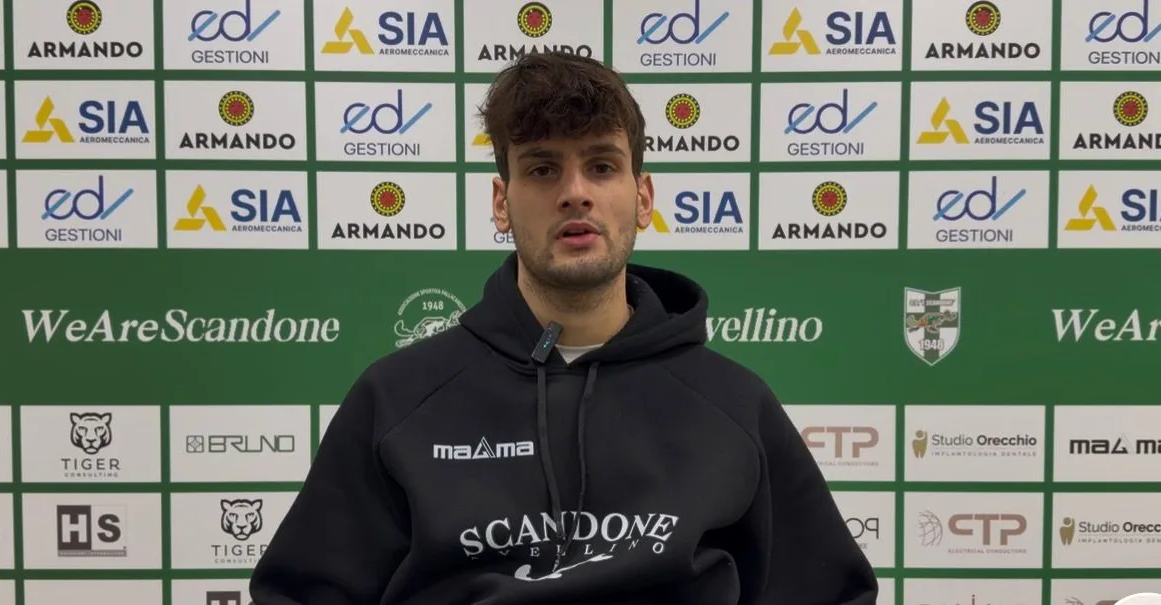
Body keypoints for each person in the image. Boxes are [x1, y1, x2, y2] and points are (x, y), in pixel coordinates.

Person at [248, 51, 878, 605]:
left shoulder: (735, 405)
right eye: (543, 169)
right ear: (502, 202)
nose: (575, 193)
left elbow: (828, 592)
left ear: (643, 197)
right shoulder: (397, 398)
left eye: (602, 166)